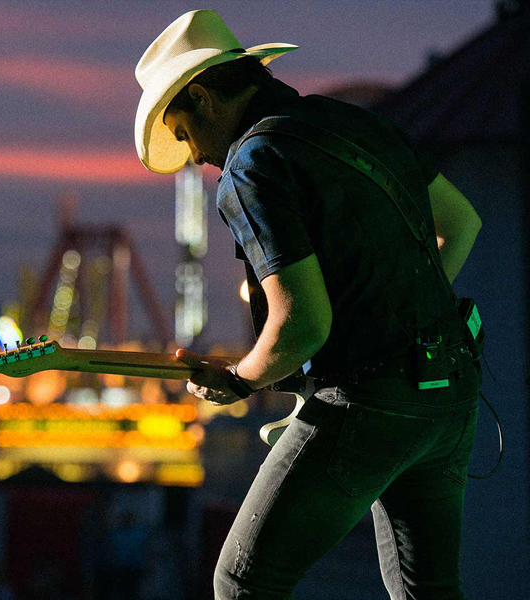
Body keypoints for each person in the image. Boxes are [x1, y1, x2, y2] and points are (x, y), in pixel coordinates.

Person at [135, 10, 483, 600]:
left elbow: (301, 324)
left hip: (366, 402)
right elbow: (460, 222)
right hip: (450, 393)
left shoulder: (251, 164)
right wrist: (403, 320)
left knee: (244, 581)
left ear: (202, 97)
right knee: (429, 590)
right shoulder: (356, 124)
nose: (194, 157)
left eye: (185, 133)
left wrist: (240, 379)